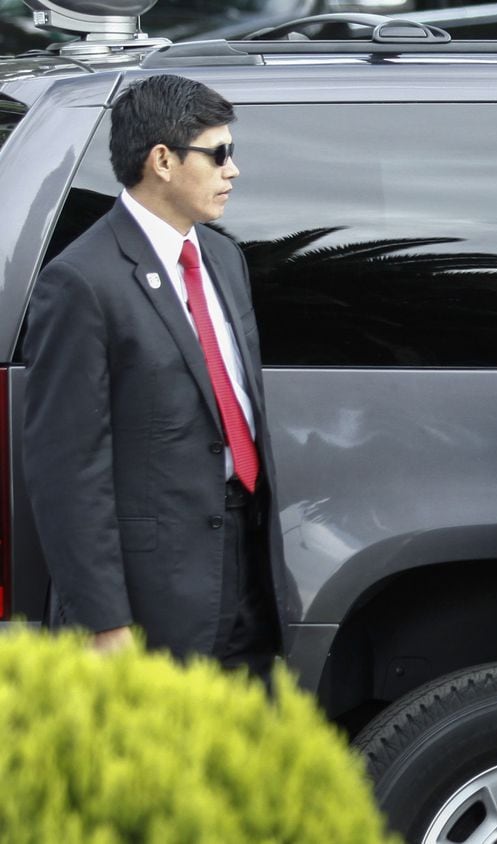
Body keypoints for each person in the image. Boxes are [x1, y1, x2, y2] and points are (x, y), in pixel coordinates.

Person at [23, 74, 292, 683]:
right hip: (153, 601)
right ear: (163, 161)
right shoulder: (82, 281)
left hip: (247, 571)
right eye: (218, 153)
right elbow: (66, 468)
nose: (234, 170)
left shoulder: (223, 257)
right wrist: (102, 619)